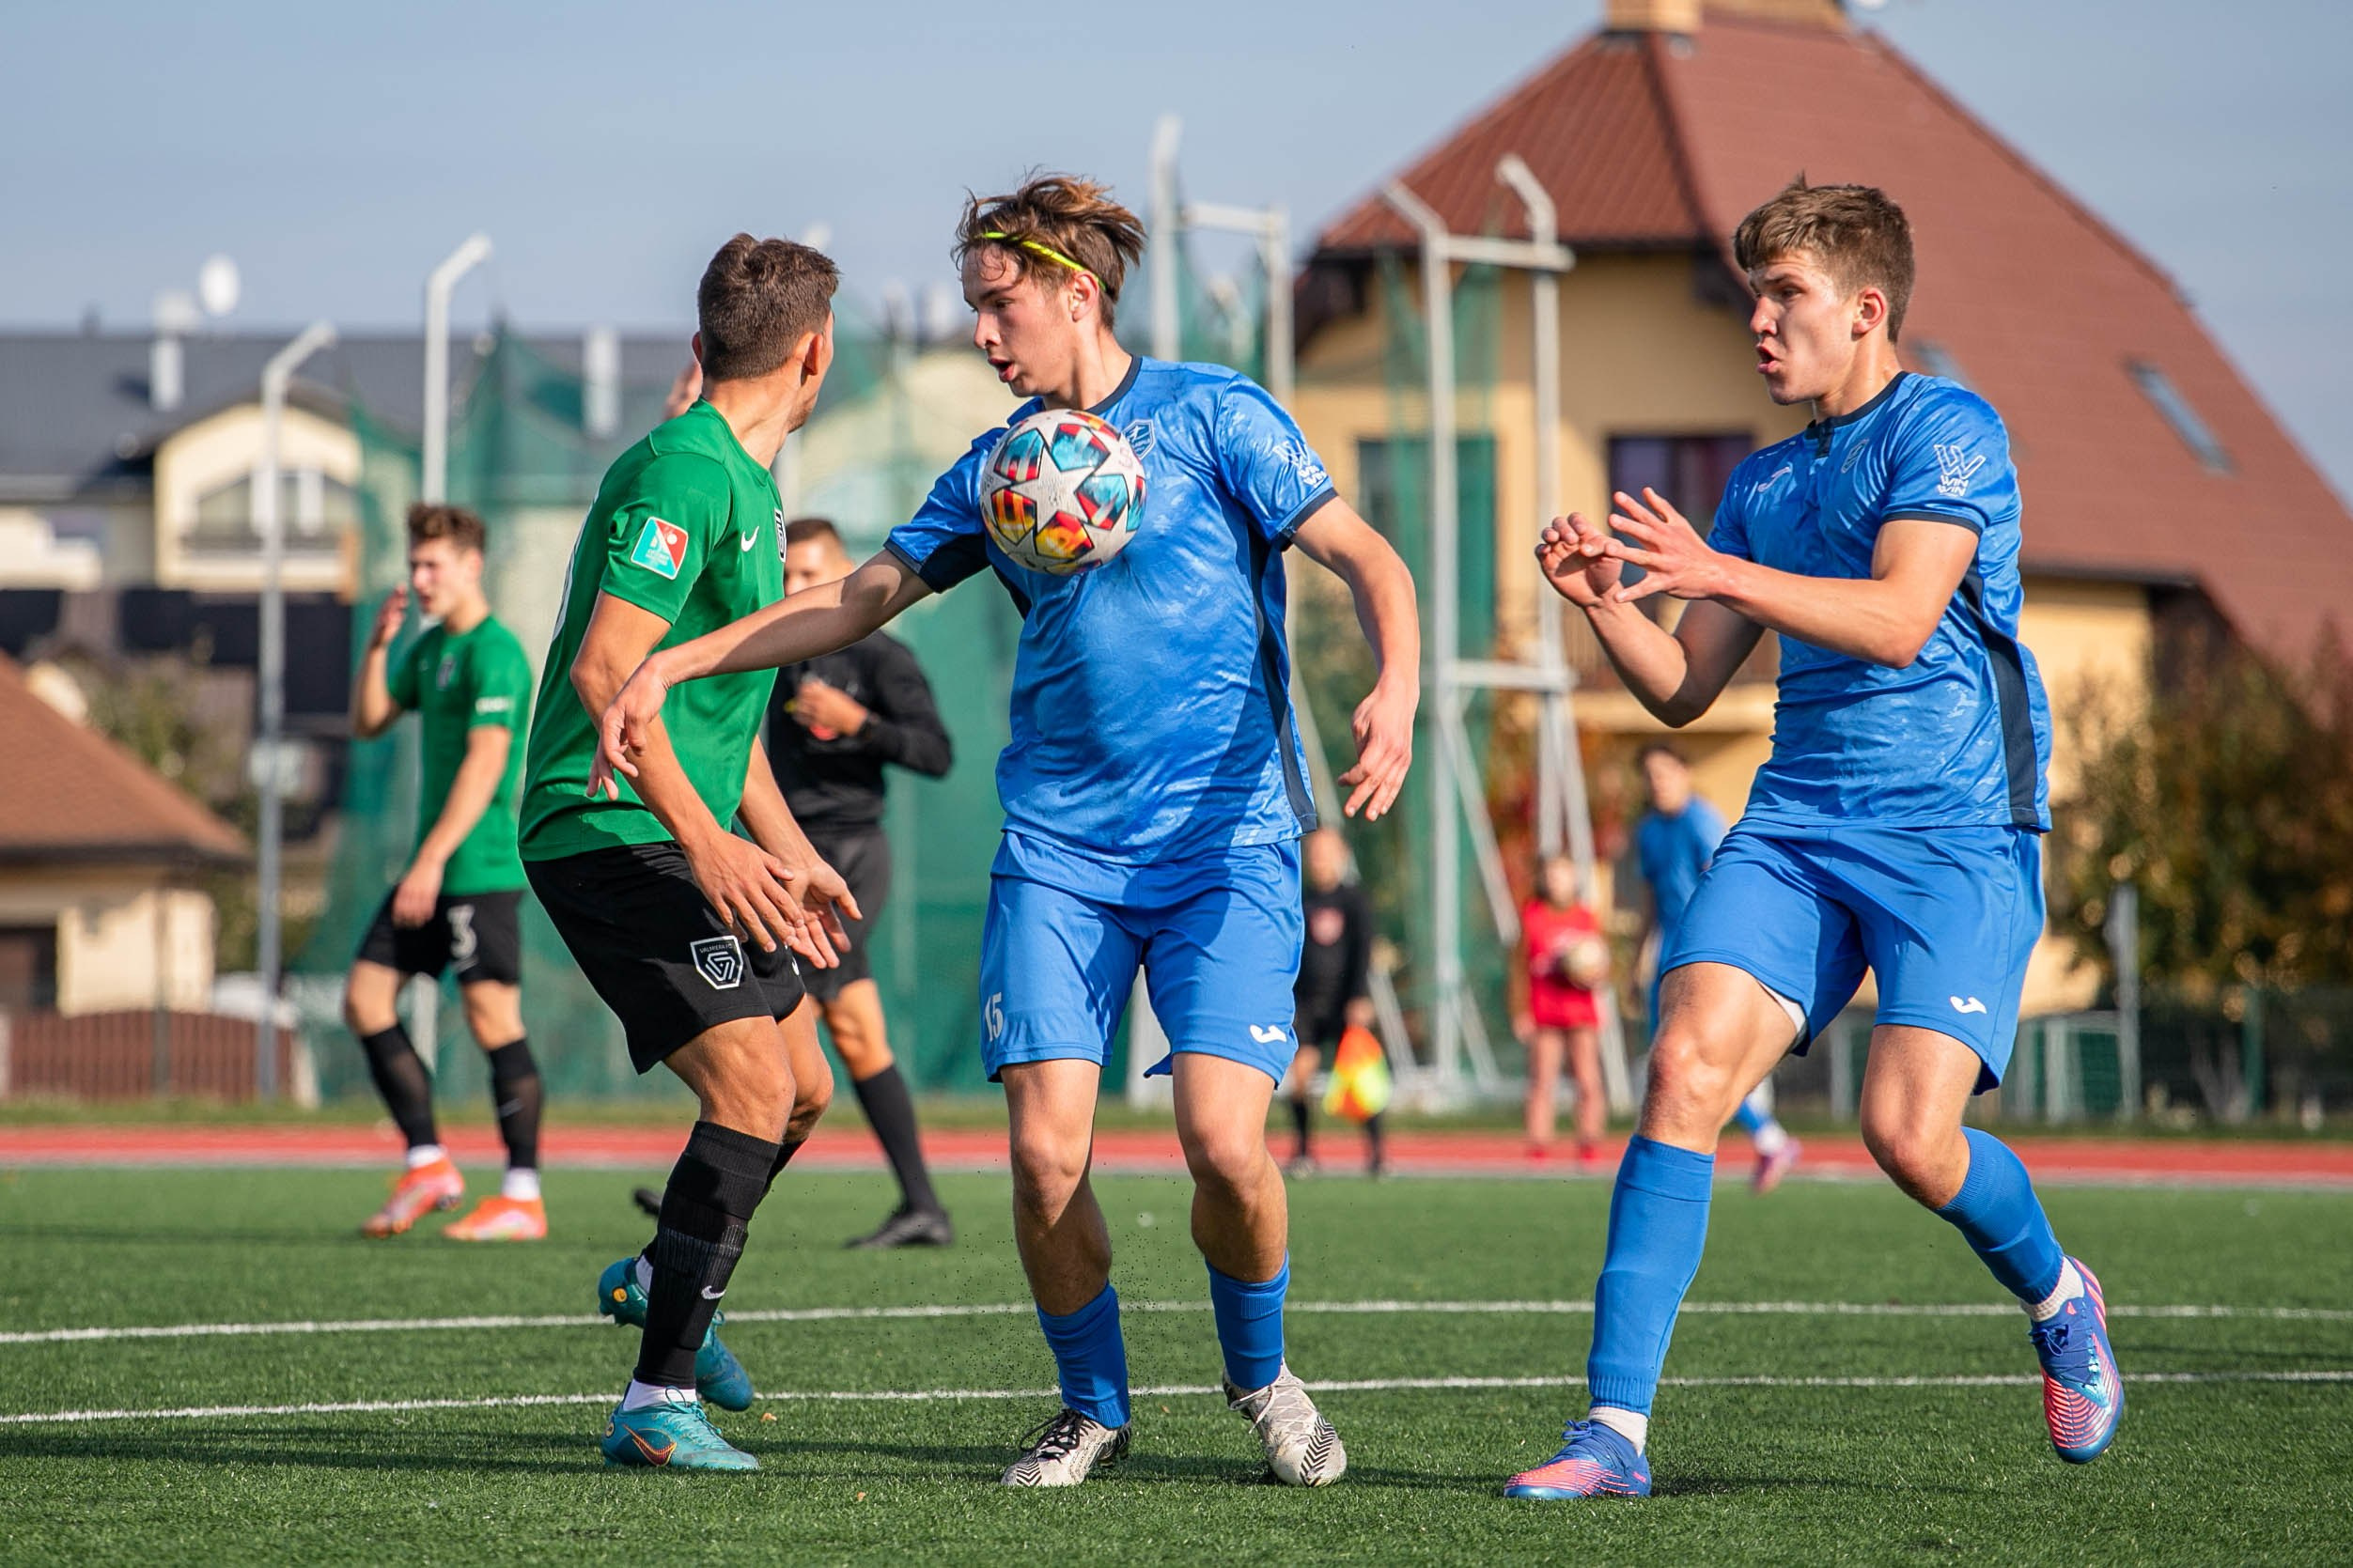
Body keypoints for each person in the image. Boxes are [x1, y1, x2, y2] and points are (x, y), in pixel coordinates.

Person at [588, 174, 1420, 1489]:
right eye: (974, 307)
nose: (980, 332)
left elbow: (1370, 559)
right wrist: (682, 659)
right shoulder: (998, 468)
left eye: (997, 304)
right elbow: (862, 594)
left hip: (1225, 844)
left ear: (1075, 294)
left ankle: (1262, 1377)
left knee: (1224, 1145)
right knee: (1040, 1160)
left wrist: (1397, 685)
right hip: (1060, 855)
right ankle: (1093, 1408)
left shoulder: (1217, 415)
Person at [1506, 179, 2121, 1501]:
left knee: (1908, 1133)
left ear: (1865, 310)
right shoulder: (1764, 481)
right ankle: (1612, 1431)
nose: (1759, 321)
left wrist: (1717, 571)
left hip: (1954, 829)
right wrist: (1606, 604)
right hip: (1795, 824)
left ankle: (2058, 1291)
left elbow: (1898, 620)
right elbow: (1686, 688)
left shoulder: (1948, 428)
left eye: (1785, 295)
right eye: (1754, 297)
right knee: (1682, 1068)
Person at [517, 233, 856, 1472]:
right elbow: (607, 672)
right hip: (608, 829)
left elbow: (720, 720)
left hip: (681, 831)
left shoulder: (748, 488)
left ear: (703, 342)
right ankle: (654, 1404)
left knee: (804, 1088)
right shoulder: (683, 470)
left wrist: (788, 849)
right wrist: (708, 845)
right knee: (752, 1092)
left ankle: (663, 1273)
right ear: (815, 355)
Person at [343, 504, 542, 1241]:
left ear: (471, 565)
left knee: (493, 1019)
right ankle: (428, 1162)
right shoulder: (431, 649)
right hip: (429, 869)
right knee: (366, 999)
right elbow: (369, 720)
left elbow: (488, 764)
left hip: (477, 869)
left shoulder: (498, 653)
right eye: (414, 564)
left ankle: (522, 1195)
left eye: (433, 564)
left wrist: (429, 858)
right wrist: (378, 646)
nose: (420, 578)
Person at [770, 515, 957, 1248]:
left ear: (844, 573)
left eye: (810, 573)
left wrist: (859, 722)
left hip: (848, 861)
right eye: (786, 574)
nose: (794, 586)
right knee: (856, 1034)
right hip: (787, 855)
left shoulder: (882, 657)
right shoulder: (774, 653)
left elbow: (936, 752)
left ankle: (717, 1189)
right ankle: (923, 1206)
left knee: (776, 1017)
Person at [1634, 741, 1800, 1192]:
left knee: (1696, 1055)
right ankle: (1761, 1138)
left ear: (1684, 773)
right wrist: (1638, 958)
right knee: (1666, 1058)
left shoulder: (1701, 821)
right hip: (1667, 951)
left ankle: (1760, 1138)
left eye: (1665, 773)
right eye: (1650, 776)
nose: (1658, 783)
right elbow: (1649, 899)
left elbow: (1722, 883)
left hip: (1702, 949)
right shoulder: (1648, 831)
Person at [1283, 826, 1380, 1176]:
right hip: (1307, 1004)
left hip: (1344, 1004)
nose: (1320, 861)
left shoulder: (1354, 900)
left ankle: (1377, 1156)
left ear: (1342, 857)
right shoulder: (1299, 898)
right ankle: (1303, 1152)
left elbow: (1363, 951)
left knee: (1361, 1080)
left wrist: (1359, 997)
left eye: (1328, 854)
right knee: (1300, 1077)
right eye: (1315, 854)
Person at [1514, 855, 1608, 1167]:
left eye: (1563, 875)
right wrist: (1520, 1010)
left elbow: (1602, 963)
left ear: (1573, 879)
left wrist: (1591, 972)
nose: (1556, 882)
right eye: (1551, 876)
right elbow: (1519, 967)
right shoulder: (1532, 916)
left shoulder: (1585, 917)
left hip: (1580, 1011)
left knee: (1588, 1079)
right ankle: (1539, 1144)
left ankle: (1589, 1141)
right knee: (1542, 1079)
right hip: (1545, 1011)